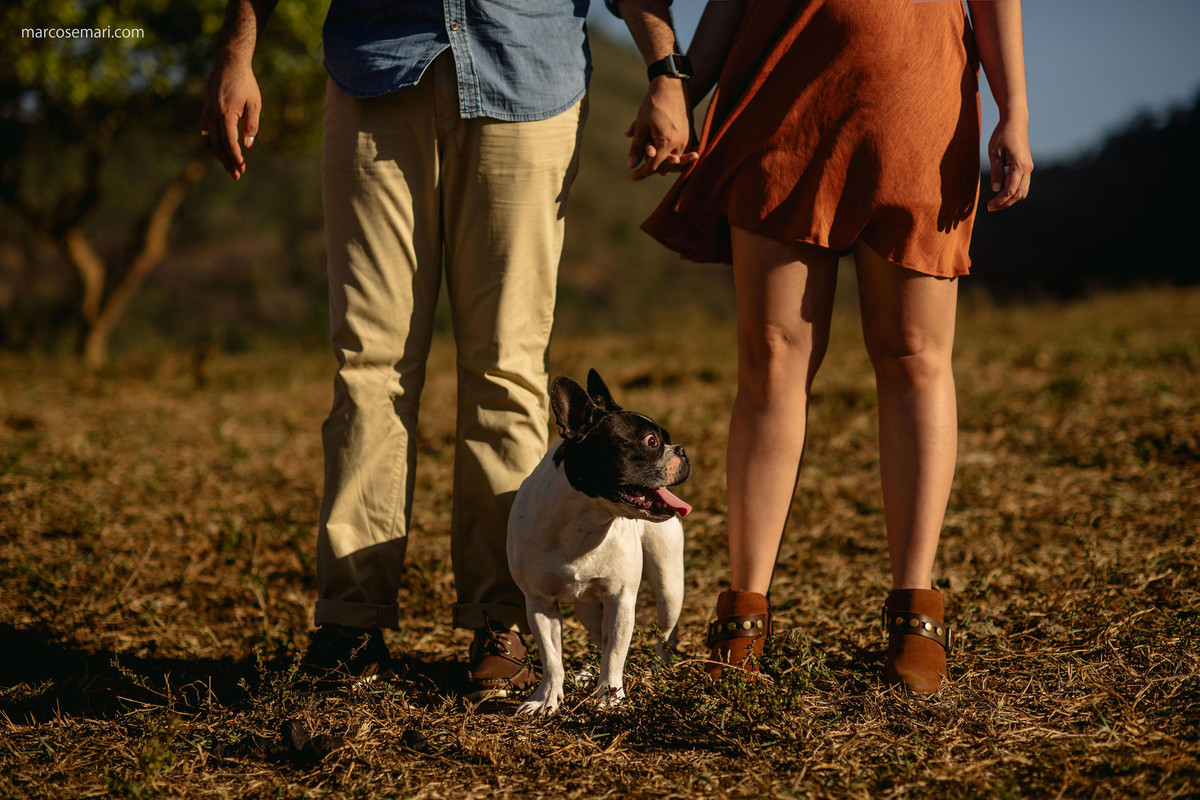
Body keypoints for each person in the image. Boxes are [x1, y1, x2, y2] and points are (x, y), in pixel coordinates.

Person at [202, 0, 691, 699]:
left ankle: (506, 616)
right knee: (368, 366)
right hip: (377, 62)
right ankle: (351, 624)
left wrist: (665, 72)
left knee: (510, 367)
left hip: (525, 72)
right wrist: (235, 51)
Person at [628, 0, 1032, 692]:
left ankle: (915, 606)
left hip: (919, 86)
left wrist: (1014, 107)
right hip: (781, 87)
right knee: (772, 354)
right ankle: (744, 608)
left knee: (914, 353)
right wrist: (680, 93)